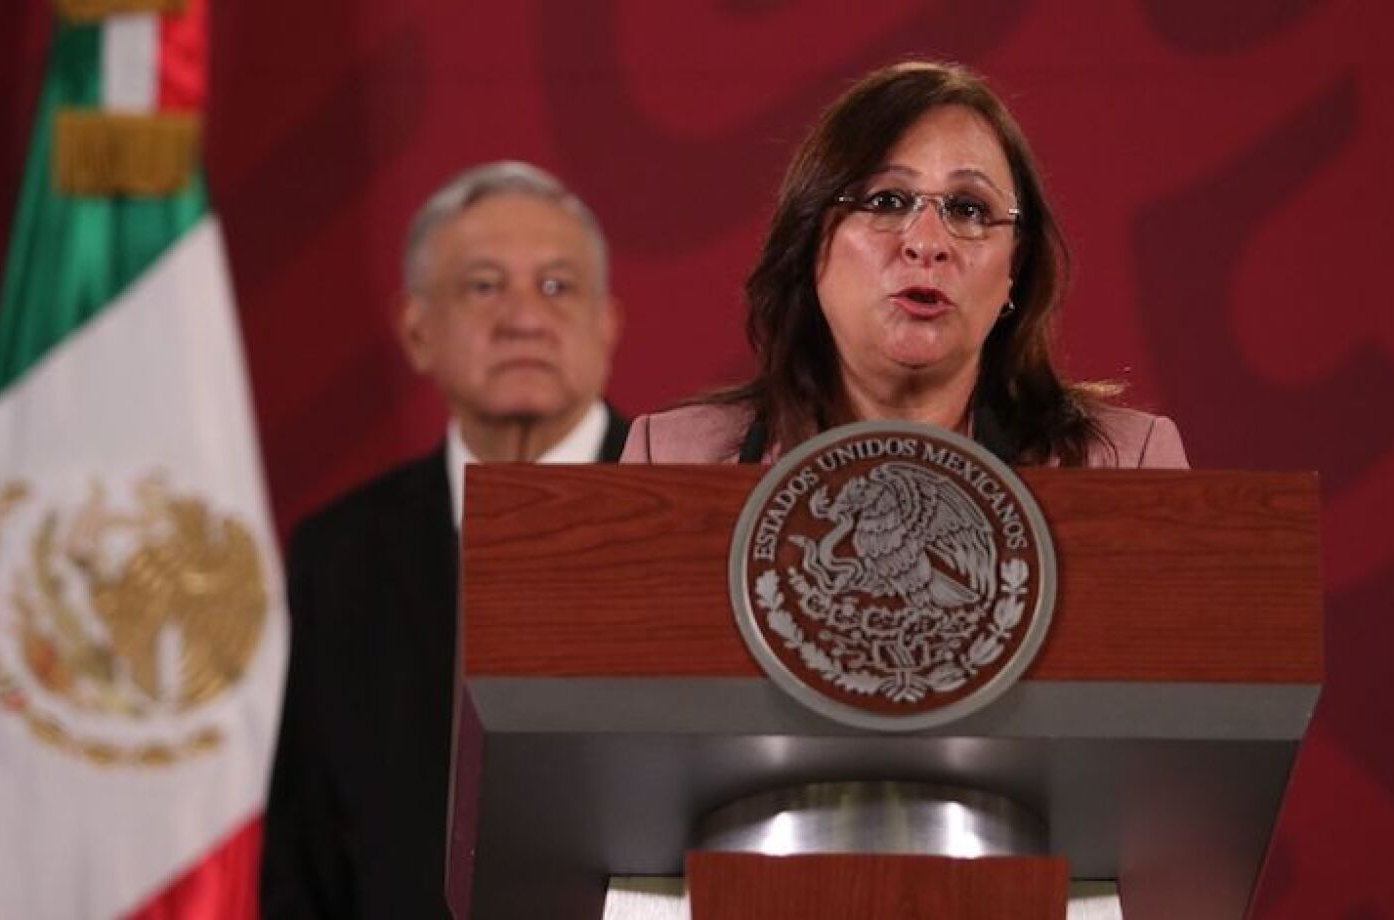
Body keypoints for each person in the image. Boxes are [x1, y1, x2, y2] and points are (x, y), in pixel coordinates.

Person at [261, 161, 628, 919]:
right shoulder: (342, 555)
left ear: (606, 327)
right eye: (484, 286)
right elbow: (305, 850)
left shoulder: (696, 513)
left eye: (558, 287)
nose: (524, 317)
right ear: (418, 331)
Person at [621, 60, 1186, 469]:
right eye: (887, 201)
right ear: (810, 238)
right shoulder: (673, 457)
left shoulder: (1126, 464)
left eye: (969, 209)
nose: (927, 243)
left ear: (1015, 269)